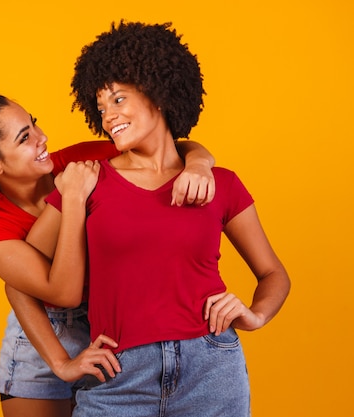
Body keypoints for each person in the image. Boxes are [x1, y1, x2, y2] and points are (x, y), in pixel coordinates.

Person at [0, 93, 216, 417]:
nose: (42, 137)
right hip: (43, 342)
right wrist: (70, 199)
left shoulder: (82, 159)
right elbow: (63, 293)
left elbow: (168, 147)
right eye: (25, 137)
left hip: (114, 329)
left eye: (34, 124)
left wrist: (200, 163)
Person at [26, 21, 291, 417]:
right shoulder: (87, 181)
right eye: (100, 108)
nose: (108, 117)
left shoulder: (220, 183)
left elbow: (274, 274)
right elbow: (22, 280)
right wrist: (61, 363)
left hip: (212, 369)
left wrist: (255, 316)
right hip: (117, 376)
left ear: (159, 93)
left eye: (118, 100)